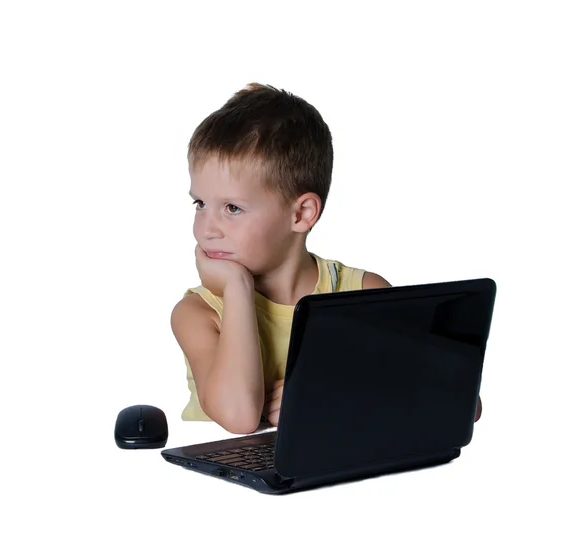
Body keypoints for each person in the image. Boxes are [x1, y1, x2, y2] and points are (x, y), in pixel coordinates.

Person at [170, 82, 483, 434]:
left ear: (301, 214)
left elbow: (465, 403)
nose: (207, 229)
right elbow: (240, 417)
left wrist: (329, 393)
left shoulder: (361, 295)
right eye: (200, 204)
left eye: (232, 208)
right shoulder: (199, 313)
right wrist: (237, 287)